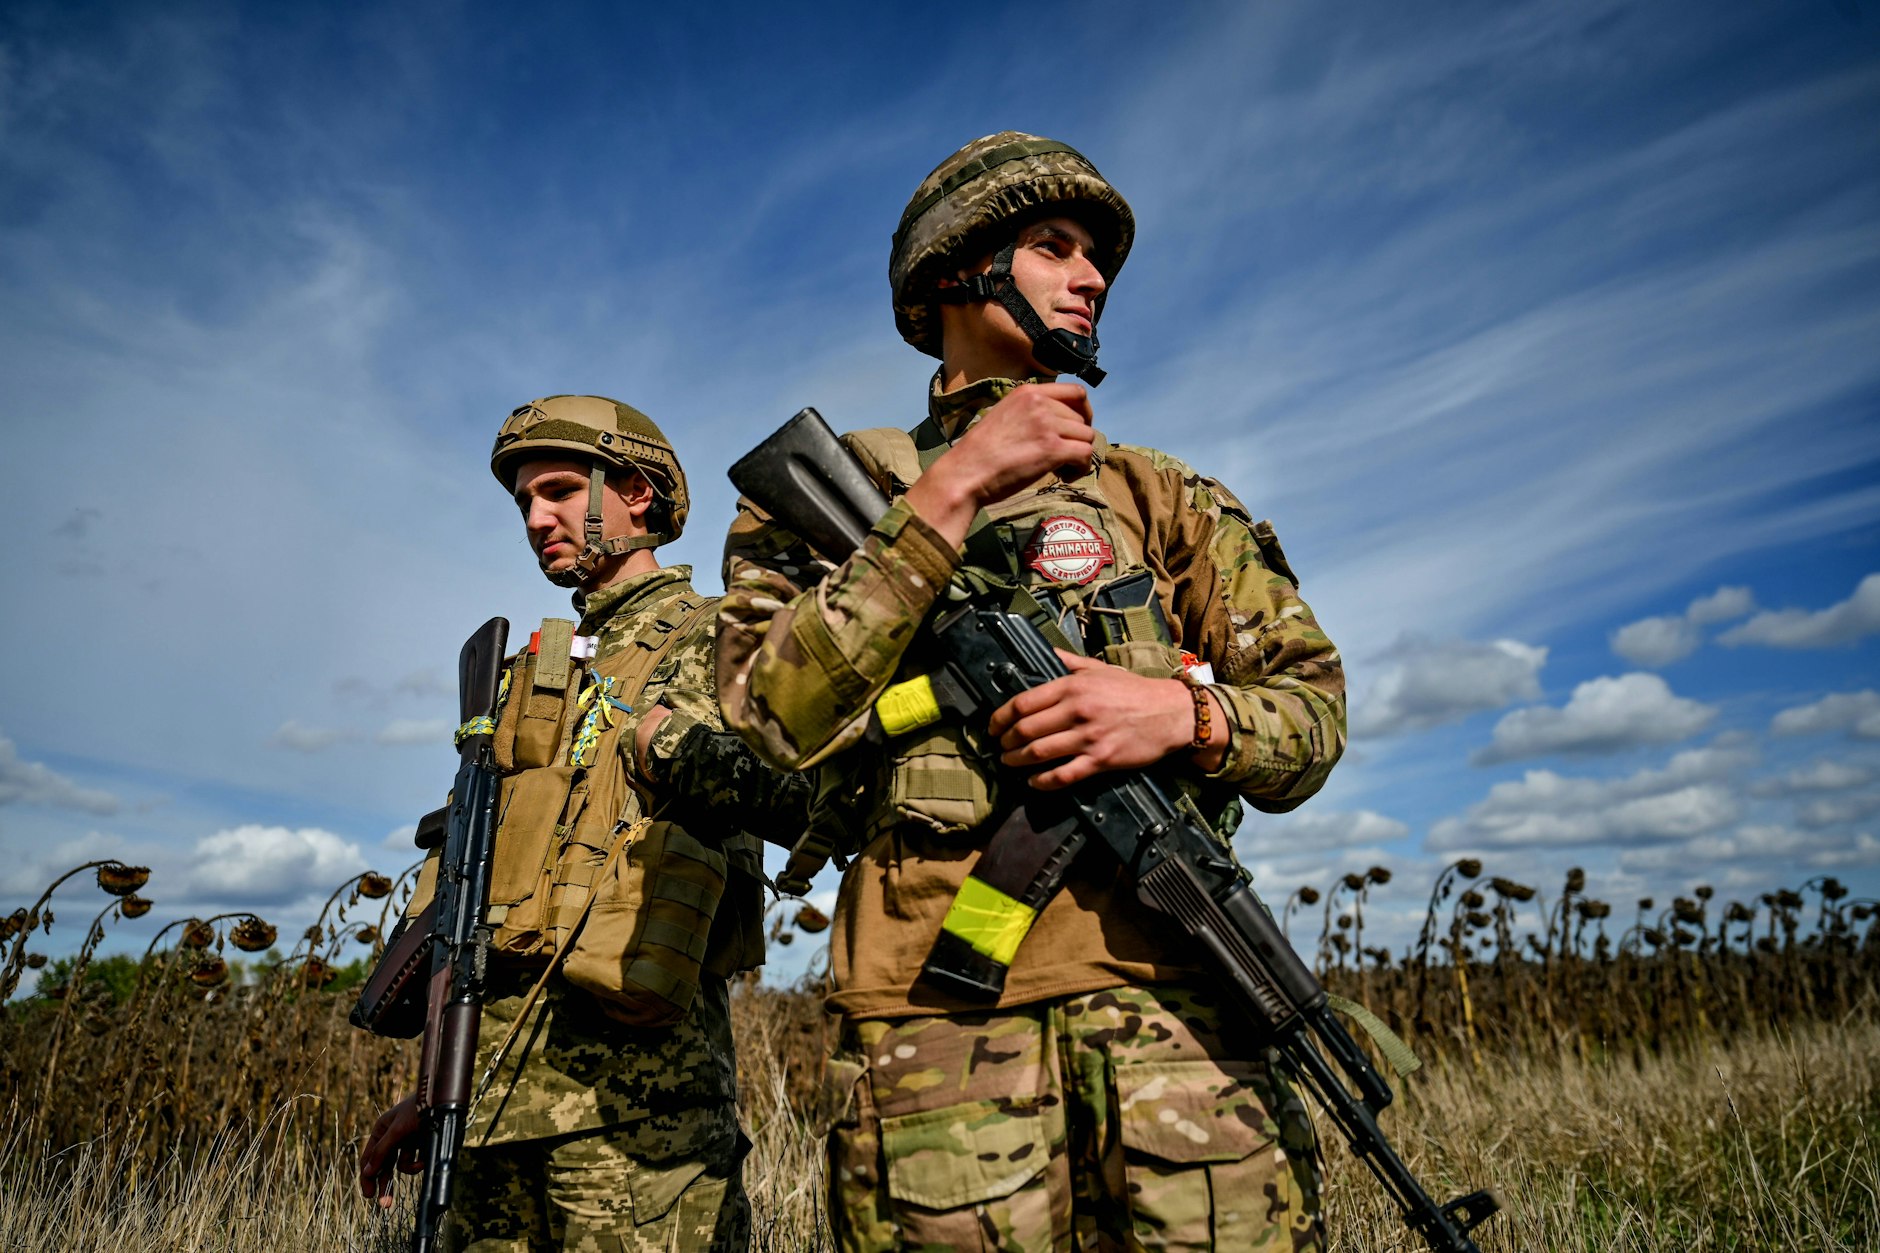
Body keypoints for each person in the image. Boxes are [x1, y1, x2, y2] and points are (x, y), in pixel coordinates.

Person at [717, 134, 1347, 1249]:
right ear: (956, 269)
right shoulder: (842, 483)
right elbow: (767, 714)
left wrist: (1179, 713)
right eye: (1052, 245)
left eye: (1095, 255)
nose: (1090, 274)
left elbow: (1310, 713)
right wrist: (950, 489)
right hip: (934, 1027)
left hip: (1181, 1006)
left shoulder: (1162, 494)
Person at [360, 394, 807, 1252]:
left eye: (560, 490)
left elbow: (805, 802)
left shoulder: (725, 634)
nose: (535, 518)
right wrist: (435, 1087)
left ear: (635, 493)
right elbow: (471, 898)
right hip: (485, 1116)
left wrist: (657, 742)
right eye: (524, 501)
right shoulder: (527, 674)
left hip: (639, 1117)